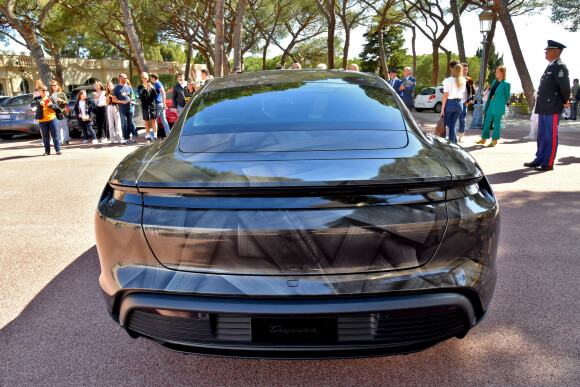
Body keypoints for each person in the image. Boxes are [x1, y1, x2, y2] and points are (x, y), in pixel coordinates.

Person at [524, 40, 570, 171]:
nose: (546, 52)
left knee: (551, 134)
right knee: (542, 135)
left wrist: (565, 101)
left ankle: (548, 162)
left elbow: (565, 87)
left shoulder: (560, 66)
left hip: (553, 106)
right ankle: (540, 158)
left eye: (548, 50)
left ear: (556, 51)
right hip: (544, 105)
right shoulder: (550, 66)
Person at [475, 66, 510, 147]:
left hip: (498, 105)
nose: (495, 73)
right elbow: (490, 94)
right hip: (490, 104)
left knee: (496, 123)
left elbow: (507, 96)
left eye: (497, 71)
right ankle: (484, 138)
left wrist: (500, 103)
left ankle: (494, 140)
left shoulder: (506, 84)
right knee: (487, 121)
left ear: (502, 73)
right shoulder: (494, 82)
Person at [32, 85, 61, 155]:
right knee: (45, 136)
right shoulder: (37, 99)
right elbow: (32, 104)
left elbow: (57, 106)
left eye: (46, 90)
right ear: (39, 91)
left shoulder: (51, 98)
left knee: (55, 135)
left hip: (52, 118)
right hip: (42, 120)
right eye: (43, 90)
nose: (45, 92)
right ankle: (47, 151)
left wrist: (50, 105)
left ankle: (58, 150)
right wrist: (39, 103)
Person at [441, 63, 466, 143]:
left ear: (453, 70)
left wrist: (442, 109)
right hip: (459, 104)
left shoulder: (447, 80)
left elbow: (445, 95)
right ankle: (453, 143)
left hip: (450, 103)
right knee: (452, 125)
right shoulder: (463, 80)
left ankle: (442, 142)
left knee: (443, 124)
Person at [112, 73, 136, 144]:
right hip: (122, 108)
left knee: (130, 123)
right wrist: (121, 102)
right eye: (124, 78)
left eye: (126, 78)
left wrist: (131, 99)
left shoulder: (129, 87)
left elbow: (132, 96)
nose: (126, 79)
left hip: (129, 107)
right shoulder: (117, 88)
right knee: (123, 123)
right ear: (120, 78)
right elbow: (113, 100)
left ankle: (129, 137)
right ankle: (125, 138)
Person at [457, 62, 475, 143]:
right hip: (456, 102)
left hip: (464, 103)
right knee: (452, 119)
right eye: (464, 70)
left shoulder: (469, 80)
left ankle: (460, 136)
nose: (465, 71)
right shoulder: (456, 78)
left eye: (466, 70)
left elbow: (472, 91)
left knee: (462, 120)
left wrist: (469, 101)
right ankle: (453, 135)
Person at [138, 72, 158, 142]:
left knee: (153, 120)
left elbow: (155, 95)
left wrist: (152, 88)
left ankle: (155, 135)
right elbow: (141, 96)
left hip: (152, 105)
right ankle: (148, 135)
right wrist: (145, 88)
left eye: (146, 78)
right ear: (142, 79)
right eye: (144, 78)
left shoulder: (152, 86)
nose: (145, 80)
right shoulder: (140, 87)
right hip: (145, 106)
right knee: (146, 121)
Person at [49, 80, 69, 145]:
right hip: (54, 112)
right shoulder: (51, 95)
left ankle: (66, 140)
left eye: (55, 85)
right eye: (52, 85)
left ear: (58, 86)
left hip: (61, 111)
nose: (53, 87)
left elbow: (67, 102)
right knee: (57, 127)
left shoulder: (61, 93)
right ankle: (59, 140)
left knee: (64, 126)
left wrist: (61, 100)